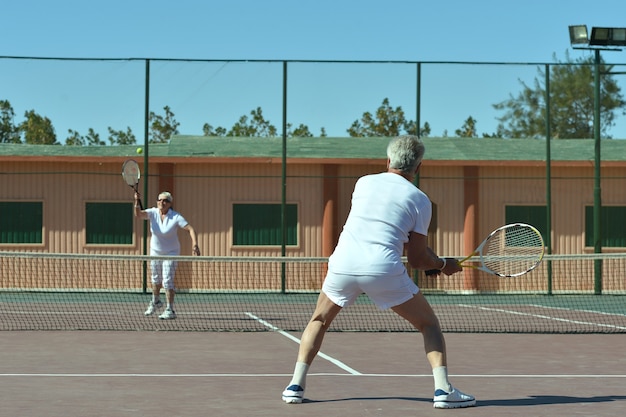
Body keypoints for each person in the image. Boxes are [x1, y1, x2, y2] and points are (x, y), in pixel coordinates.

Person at [281, 135, 476, 409]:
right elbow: (418, 258)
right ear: (418, 167)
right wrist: (444, 265)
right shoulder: (421, 200)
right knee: (428, 325)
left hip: (343, 262)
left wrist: (434, 263)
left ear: (388, 161)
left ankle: (295, 386)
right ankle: (443, 390)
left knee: (319, 320)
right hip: (381, 267)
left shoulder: (363, 182)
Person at [134, 191, 200, 320]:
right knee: (155, 279)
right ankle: (156, 301)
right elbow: (139, 215)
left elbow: (190, 229)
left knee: (167, 280)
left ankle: (170, 309)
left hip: (171, 252)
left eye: (165, 201)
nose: (162, 202)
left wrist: (195, 244)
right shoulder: (153, 212)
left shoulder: (175, 217)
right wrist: (137, 201)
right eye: (159, 200)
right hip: (155, 251)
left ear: (170, 203)